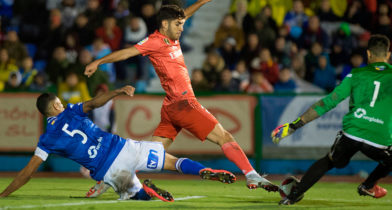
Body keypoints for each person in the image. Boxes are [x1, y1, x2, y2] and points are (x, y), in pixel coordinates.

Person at [85, 0, 278, 193]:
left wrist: (202, 1)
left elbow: (185, 14)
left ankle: (109, 179)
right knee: (224, 136)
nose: (181, 28)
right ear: (164, 24)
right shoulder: (154, 41)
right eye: (178, 24)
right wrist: (99, 61)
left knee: (150, 154)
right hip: (183, 104)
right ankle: (251, 174)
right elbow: (127, 53)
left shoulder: (172, 34)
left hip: (171, 107)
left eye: (182, 24)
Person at [0, 85, 236, 201]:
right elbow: (94, 103)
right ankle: (202, 169)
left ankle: (147, 192)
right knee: (172, 162)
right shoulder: (71, 111)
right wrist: (117, 91)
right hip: (123, 146)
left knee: (136, 197)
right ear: (55, 107)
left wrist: (4, 194)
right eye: (59, 102)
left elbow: (28, 172)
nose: (62, 104)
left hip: (108, 170)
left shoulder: (46, 139)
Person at [271, 34, 392, 205]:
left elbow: (328, 102)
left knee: (329, 161)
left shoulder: (355, 74)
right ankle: (369, 185)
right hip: (379, 141)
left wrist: (295, 125)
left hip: (351, 134)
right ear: (388, 55)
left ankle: (292, 196)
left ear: (368, 54)